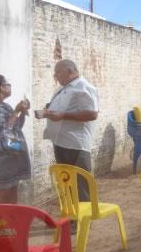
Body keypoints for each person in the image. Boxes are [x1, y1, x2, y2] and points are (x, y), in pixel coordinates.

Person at [40, 60, 99, 201]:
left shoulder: (84, 87)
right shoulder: (64, 88)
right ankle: (71, 219)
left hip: (76, 145)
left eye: (57, 73)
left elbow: (92, 114)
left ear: (69, 71)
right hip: (61, 143)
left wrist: (63, 115)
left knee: (80, 185)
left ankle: (82, 221)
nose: (55, 76)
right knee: (67, 183)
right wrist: (49, 111)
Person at [0, 75, 31, 203]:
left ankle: (12, 219)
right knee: (5, 192)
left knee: (13, 188)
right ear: (1, 87)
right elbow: (3, 132)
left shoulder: (5, 106)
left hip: (13, 153)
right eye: (7, 84)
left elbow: (16, 127)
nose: (10, 86)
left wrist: (22, 112)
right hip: (2, 157)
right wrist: (16, 111)